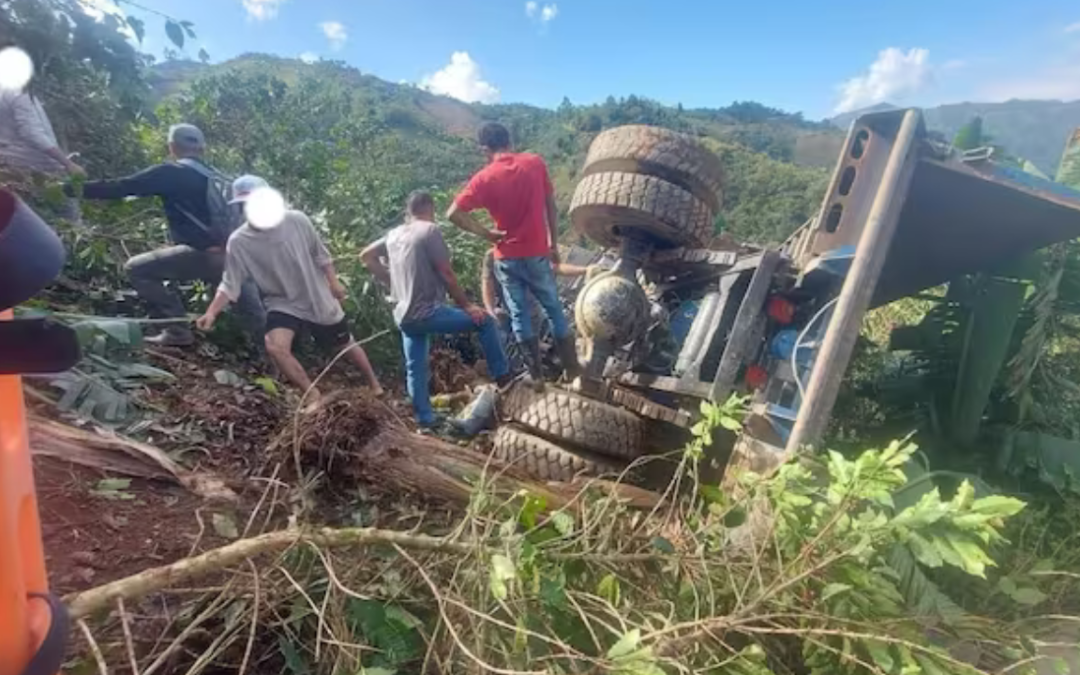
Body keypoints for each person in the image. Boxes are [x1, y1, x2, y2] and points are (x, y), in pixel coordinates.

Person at [72, 124, 264, 346]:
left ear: (172, 147)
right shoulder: (220, 178)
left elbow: (122, 187)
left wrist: (71, 189)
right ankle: (278, 359)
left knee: (136, 268)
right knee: (254, 314)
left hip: (205, 255)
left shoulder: (170, 173)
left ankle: (177, 332)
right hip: (235, 256)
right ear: (202, 149)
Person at [196, 176, 383, 400]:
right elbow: (230, 282)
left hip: (315, 294)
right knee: (275, 346)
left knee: (343, 344)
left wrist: (333, 283)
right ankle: (313, 395)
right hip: (281, 301)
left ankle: (374, 384)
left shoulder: (297, 221)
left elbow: (321, 255)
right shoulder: (239, 241)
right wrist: (211, 312)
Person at [360, 190, 510, 432]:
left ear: (408, 211)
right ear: (430, 208)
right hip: (426, 312)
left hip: (404, 316)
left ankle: (425, 420)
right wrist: (467, 306)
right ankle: (503, 377)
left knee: (415, 366)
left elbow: (366, 256)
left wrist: (394, 283)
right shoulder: (429, 230)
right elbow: (446, 274)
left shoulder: (394, 235)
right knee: (484, 322)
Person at [446, 121, 580, 383]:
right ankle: (573, 369)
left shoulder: (483, 178)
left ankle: (537, 377)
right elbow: (550, 205)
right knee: (553, 309)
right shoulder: (535, 163)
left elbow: (453, 214)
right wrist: (553, 244)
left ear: (485, 148)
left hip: (506, 257)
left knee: (519, 316)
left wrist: (486, 234)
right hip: (537, 253)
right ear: (510, 140)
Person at [481, 247, 588, 375]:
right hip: (513, 317)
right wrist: (491, 311)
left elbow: (554, 267)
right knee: (515, 348)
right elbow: (487, 285)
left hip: (537, 312)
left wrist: (585, 270)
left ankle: (568, 369)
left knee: (561, 341)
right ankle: (521, 373)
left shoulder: (531, 249)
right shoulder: (493, 256)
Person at [0, 80, 84, 223]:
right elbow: (32, 133)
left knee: (24, 218)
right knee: (70, 220)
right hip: (38, 166)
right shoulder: (17, 92)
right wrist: (68, 163)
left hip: (10, 166)